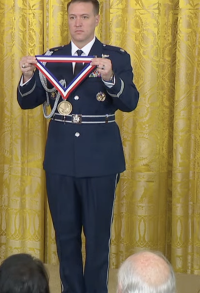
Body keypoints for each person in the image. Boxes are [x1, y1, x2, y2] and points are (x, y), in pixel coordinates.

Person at [16, 0, 139, 292]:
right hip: (60, 161)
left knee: (97, 241)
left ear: (97, 19)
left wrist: (109, 78)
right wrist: (28, 74)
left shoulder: (115, 58)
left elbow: (130, 102)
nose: (78, 23)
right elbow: (27, 101)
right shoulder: (52, 58)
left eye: (84, 17)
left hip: (100, 161)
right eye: (73, 17)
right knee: (65, 239)